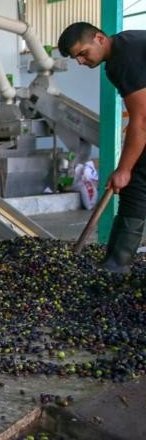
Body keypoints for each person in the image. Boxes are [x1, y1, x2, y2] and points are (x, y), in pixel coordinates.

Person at [58, 22, 146, 273]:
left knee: (136, 180)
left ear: (99, 38)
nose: (81, 62)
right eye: (77, 58)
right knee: (135, 185)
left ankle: (117, 264)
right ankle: (115, 262)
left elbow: (142, 119)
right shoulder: (127, 45)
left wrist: (124, 170)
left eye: (83, 53)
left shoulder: (123, 59)